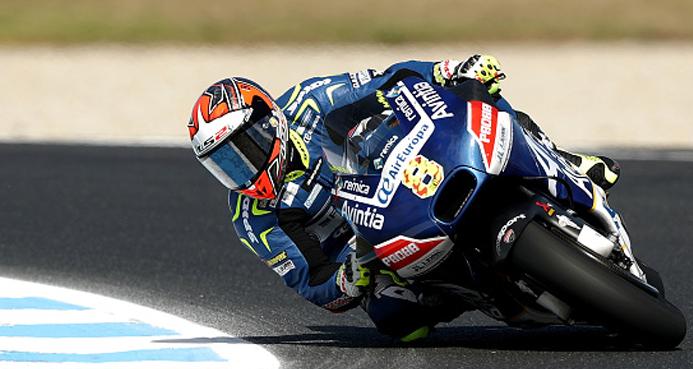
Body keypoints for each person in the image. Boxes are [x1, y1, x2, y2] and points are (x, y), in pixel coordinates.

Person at [187, 54, 621, 341]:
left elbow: (389, 81)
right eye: (223, 164)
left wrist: (447, 71)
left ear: (268, 122)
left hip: (402, 173)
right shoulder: (253, 216)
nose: (240, 170)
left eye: (241, 150)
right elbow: (312, 280)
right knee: (396, 321)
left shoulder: (309, 101)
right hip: (375, 246)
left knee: (478, 98)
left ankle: (560, 160)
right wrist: (348, 277)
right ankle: (466, 294)